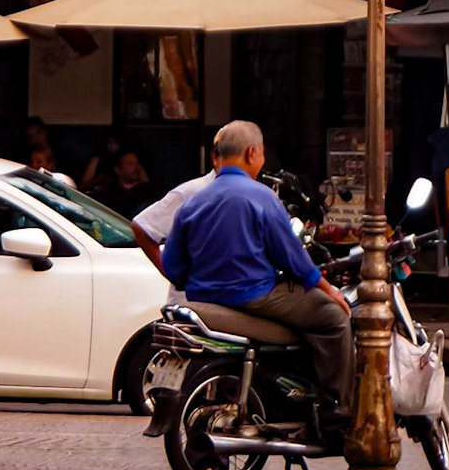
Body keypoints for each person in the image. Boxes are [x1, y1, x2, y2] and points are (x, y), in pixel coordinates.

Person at [161, 119, 354, 423]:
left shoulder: (193, 202)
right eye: (262, 154)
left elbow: (173, 267)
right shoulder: (262, 196)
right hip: (254, 296)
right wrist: (328, 289)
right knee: (334, 319)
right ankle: (337, 409)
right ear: (252, 153)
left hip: (204, 297)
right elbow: (293, 259)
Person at [132, 166, 217, 278]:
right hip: (194, 291)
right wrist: (172, 274)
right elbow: (143, 227)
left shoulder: (243, 193)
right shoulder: (193, 191)